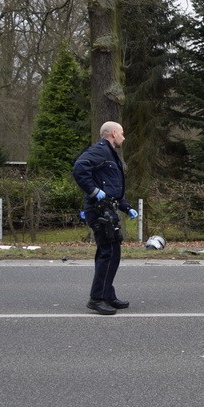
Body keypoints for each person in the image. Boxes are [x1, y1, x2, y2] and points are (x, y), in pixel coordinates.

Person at [73, 121, 138, 315]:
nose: (123, 137)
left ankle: (107, 294)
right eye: (122, 133)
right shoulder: (100, 151)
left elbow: (112, 187)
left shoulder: (110, 154)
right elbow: (79, 168)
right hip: (99, 210)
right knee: (108, 253)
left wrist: (126, 208)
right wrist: (93, 191)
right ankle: (97, 298)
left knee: (112, 253)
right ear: (112, 134)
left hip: (108, 209)